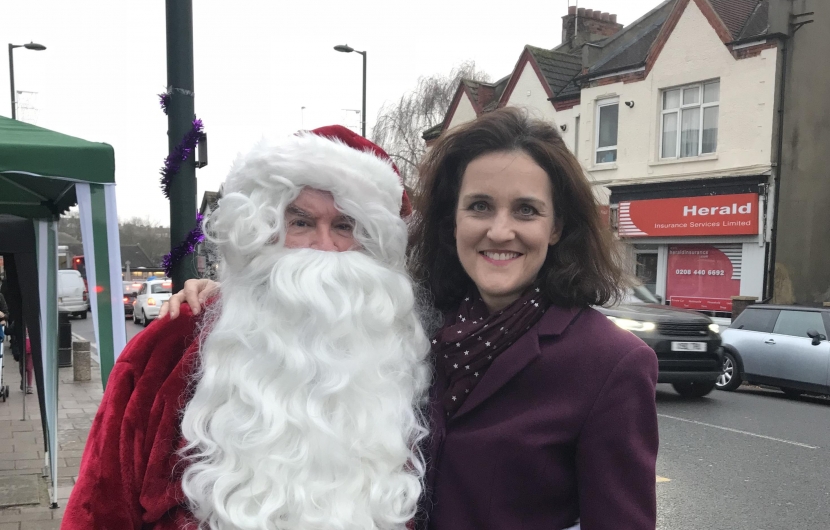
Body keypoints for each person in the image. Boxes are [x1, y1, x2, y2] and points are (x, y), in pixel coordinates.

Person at [167, 108, 659, 530]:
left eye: (526, 211)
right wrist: (229, 291)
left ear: (557, 229)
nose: (500, 230)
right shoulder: (409, 329)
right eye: (480, 206)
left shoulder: (609, 363)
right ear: (453, 221)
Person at [63, 126, 432, 530]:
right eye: (301, 222)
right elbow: (101, 505)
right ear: (263, 233)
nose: (323, 246)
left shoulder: (406, 360)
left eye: (345, 226)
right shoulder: (171, 346)